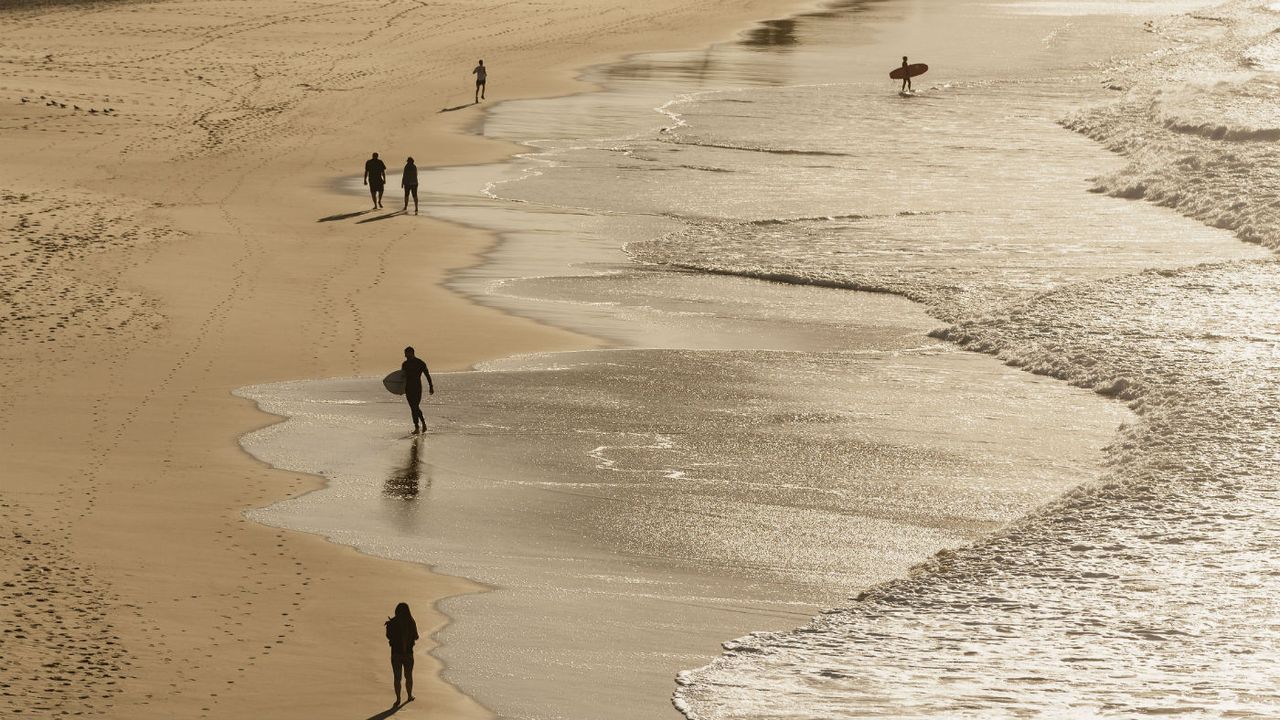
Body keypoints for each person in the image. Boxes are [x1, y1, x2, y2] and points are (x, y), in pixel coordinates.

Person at [384, 603, 419, 706]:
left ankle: (398, 699)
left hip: (396, 654)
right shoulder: (411, 621)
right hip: (408, 653)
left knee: (397, 677)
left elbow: (388, 636)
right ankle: (409, 696)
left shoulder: (392, 623)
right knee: (408, 676)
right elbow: (416, 636)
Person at [401, 346, 434, 434]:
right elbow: (402, 378)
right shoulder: (404, 364)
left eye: (406, 353)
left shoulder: (420, 363)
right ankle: (418, 425)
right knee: (413, 407)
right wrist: (400, 390)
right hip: (408, 388)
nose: (405, 355)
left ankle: (420, 424)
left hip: (417, 388)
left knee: (414, 406)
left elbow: (427, 374)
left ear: (411, 353)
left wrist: (431, 386)